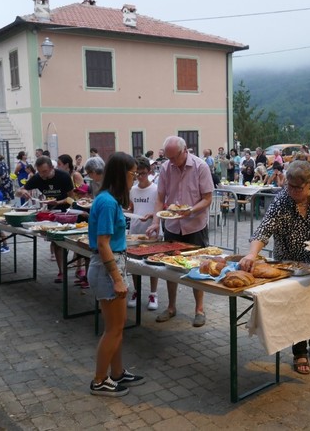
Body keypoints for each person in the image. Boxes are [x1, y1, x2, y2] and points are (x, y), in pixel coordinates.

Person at [239, 160, 310, 375]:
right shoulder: (282, 200)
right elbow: (264, 230)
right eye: (289, 186)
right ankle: (299, 351)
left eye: (298, 187)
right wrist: (252, 253)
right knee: (297, 307)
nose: (293, 191)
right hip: (290, 264)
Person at [87, 152, 145, 397]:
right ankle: (99, 380)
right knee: (113, 329)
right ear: (122, 174)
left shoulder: (108, 199)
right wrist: (118, 278)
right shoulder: (108, 202)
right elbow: (103, 243)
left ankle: (118, 372)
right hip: (106, 268)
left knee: (118, 327)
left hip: (110, 266)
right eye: (134, 173)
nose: (136, 178)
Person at [146, 136, 214, 327]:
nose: (171, 162)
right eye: (168, 158)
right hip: (172, 225)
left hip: (195, 224)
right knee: (169, 267)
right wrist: (156, 222)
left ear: (185, 151)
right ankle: (171, 306)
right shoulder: (166, 167)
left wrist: (190, 210)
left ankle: (199, 309)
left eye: (174, 157)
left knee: (197, 267)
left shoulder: (201, 167)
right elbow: (160, 197)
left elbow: (208, 198)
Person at [16, 157, 76, 283]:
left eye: (45, 171)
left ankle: (79, 267)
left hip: (67, 212)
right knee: (56, 241)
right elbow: (21, 189)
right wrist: (22, 192)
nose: (42, 175)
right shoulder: (38, 177)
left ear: (52, 168)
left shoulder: (63, 176)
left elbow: (72, 198)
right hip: (51, 213)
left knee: (73, 241)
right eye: (40, 171)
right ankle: (62, 271)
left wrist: (58, 201)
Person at [127, 157, 160, 311]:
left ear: (150, 172)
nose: (140, 177)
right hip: (135, 229)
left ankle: (153, 293)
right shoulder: (133, 189)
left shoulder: (155, 189)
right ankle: (136, 291)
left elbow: (160, 209)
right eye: (137, 174)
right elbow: (132, 208)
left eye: (143, 173)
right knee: (134, 264)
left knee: (153, 264)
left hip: (151, 231)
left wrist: (152, 216)